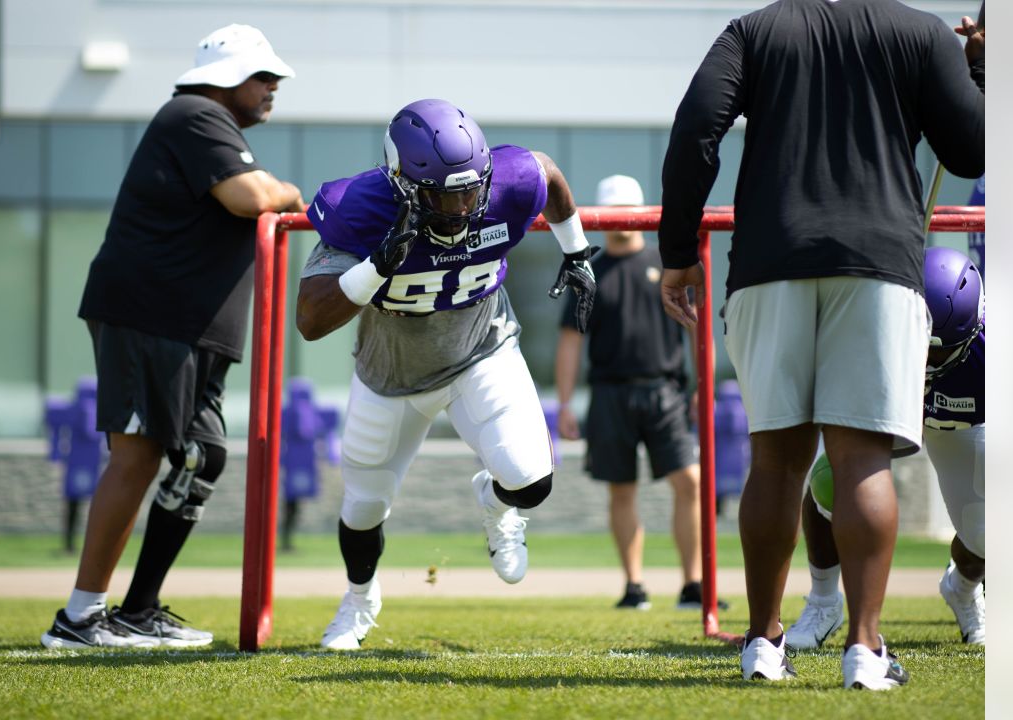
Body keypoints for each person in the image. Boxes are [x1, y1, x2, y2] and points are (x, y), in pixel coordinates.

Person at [658, 2, 984, 690]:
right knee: (862, 459)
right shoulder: (922, 31)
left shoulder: (754, 30)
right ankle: (864, 652)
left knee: (776, 459)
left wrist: (679, 248)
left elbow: (695, 131)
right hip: (879, 264)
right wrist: (975, 67)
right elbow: (973, 149)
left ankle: (762, 643)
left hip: (768, 260)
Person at [295, 98, 598, 651]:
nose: (461, 206)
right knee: (363, 509)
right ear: (402, 185)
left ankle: (496, 502)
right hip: (389, 376)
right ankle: (360, 601)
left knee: (530, 478)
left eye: (470, 190)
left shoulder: (507, 181)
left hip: (480, 353)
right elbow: (310, 320)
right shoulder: (359, 208)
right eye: (442, 193)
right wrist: (376, 266)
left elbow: (548, 173)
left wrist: (576, 252)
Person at [40, 24, 304, 649]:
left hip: (186, 327)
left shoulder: (212, 127)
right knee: (137, 455)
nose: (272, 88)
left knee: (201, 456)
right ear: (228, 77)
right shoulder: (192, 115)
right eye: (262, 76)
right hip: (151, 316)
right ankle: (79, 619)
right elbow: (251, 196)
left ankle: (138, 610)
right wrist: (289, 190)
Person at [787, 247, 986, 649]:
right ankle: (824, 602)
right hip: (893, 404)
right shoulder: (875, 322)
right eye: (921, 346)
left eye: (938, 351)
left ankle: (962, 588)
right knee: (831, 480)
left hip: (966, 422)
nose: (926, 360)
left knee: (988, 534)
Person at [554, 174, 714, 612]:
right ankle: (634, 585)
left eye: (630, 210)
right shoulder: (588, 271)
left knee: (690, 482)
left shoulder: (670, 265)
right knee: (621, 490)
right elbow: (571, 340)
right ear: (601, 216)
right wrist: (565, 403)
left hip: (666, 392)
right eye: (615, 210)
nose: (623, 219)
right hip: (609, 395)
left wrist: (704, 387)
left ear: (643, 213)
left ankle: (693, 585)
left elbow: (697, 330)